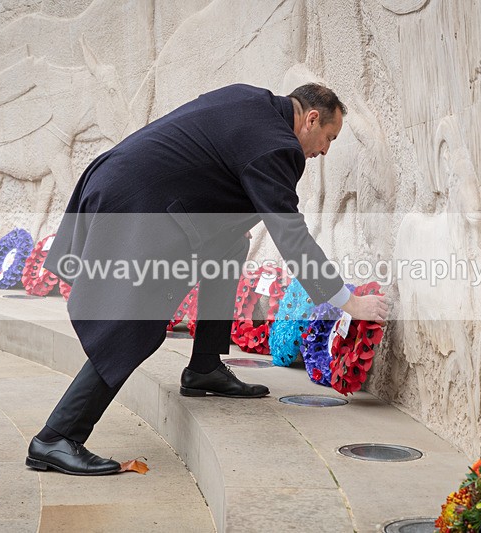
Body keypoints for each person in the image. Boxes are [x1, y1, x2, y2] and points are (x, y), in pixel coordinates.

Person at [25, 83, 389, 475]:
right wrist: (348, 303)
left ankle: (204, 366)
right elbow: (290, 235)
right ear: (312, 119)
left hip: (119, 182)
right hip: (135, 206)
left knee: (229, 248)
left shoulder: (252, 100)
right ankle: (57, 437)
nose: (324, 151)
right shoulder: (277, 145)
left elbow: (208, 162)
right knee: (135, 325)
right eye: (328, 138)